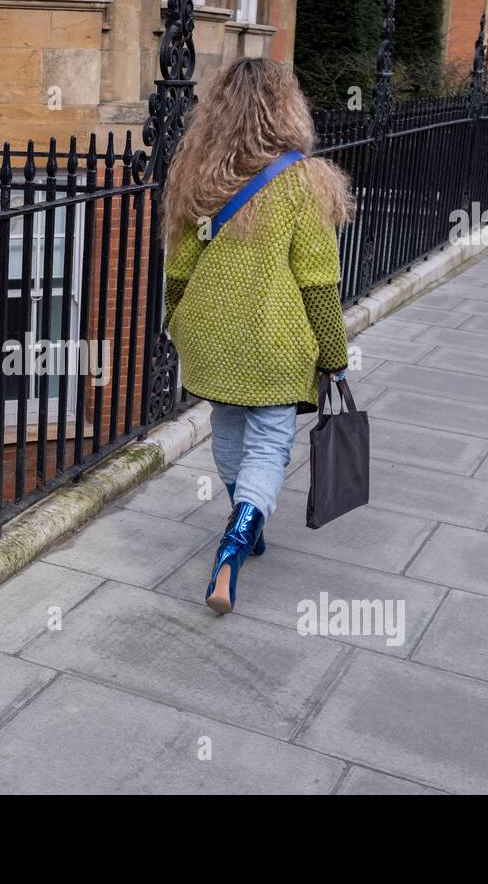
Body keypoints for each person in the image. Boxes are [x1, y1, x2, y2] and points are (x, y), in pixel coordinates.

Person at [163, 57, 352, 615]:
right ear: (284, 107)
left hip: (211, 336)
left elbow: (179, 271)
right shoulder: (304, 182)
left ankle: (249, 524)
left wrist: (177, 323)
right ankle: (233, 545)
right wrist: (335, 356)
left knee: (225, 428)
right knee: (269, 444)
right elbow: (318, 283)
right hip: (276, 341)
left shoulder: (202, 177)